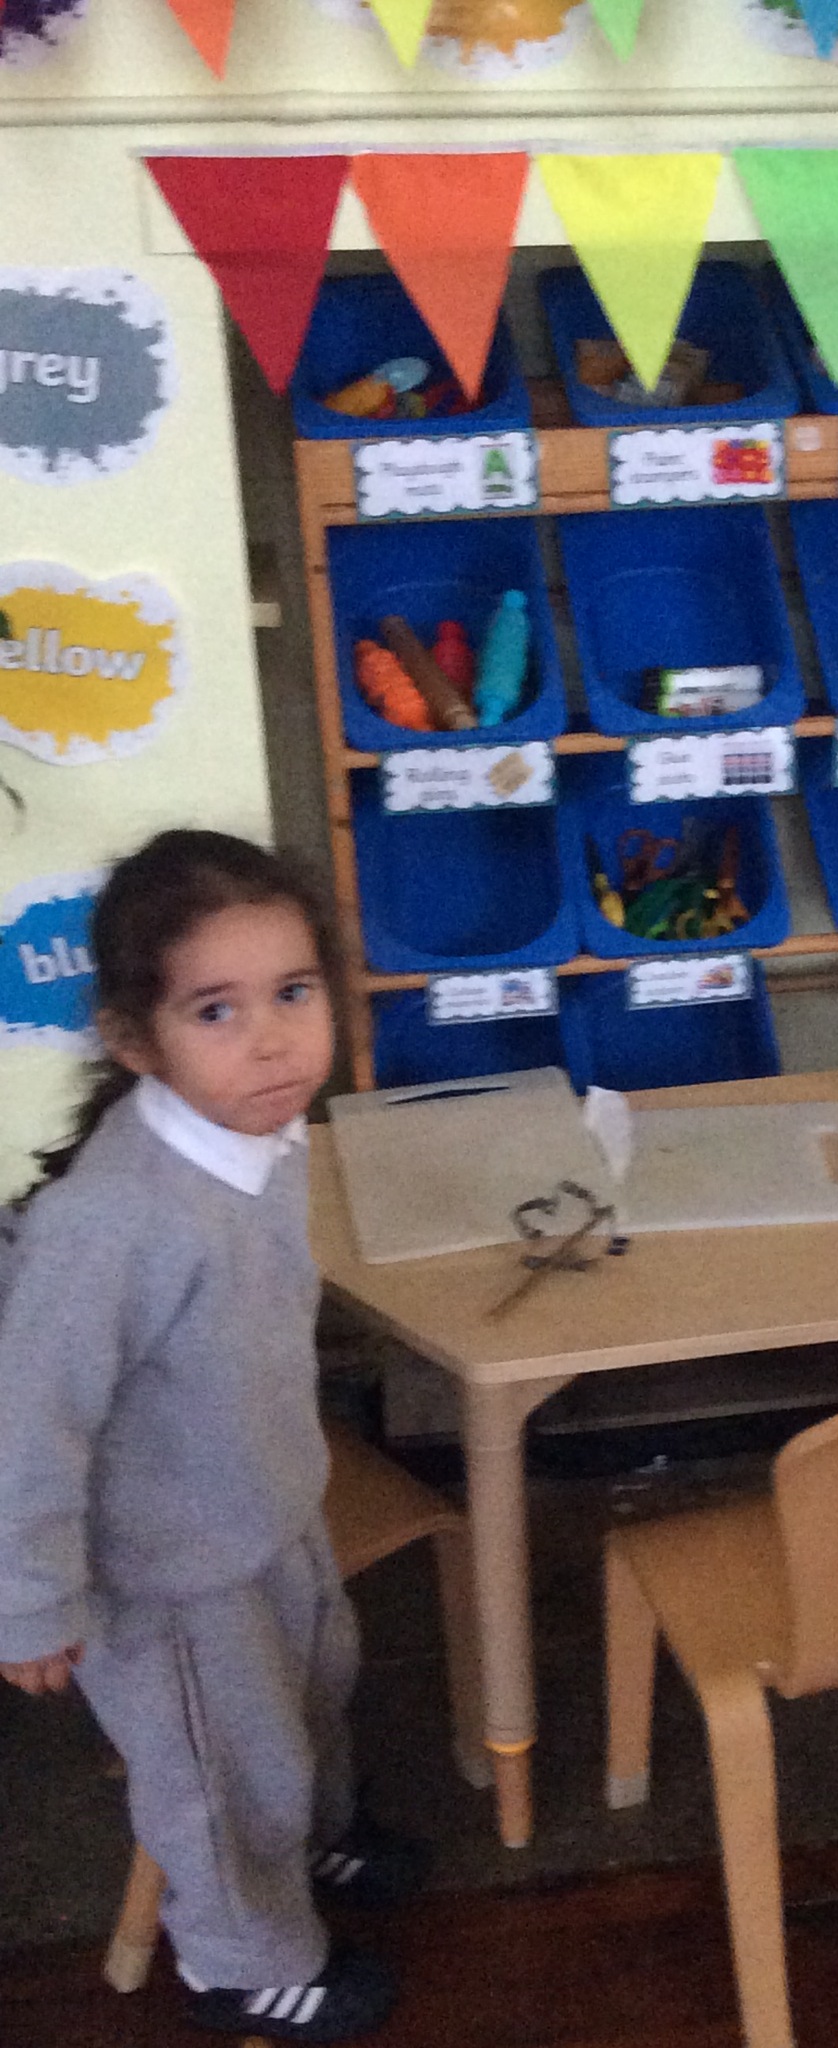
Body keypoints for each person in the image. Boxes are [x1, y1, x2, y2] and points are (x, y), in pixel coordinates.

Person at [0, 830, 419, 2042]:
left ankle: (320, 1839)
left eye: (294, 991)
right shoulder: (114, 1220)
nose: (273, 1039)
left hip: (263, 1498)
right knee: (222, 1769)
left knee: (317, 1689)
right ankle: (246, 1958)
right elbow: (29, 1417)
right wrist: (28, 1602)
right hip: (165, 1575)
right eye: (217, 1009)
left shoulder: (259, 1130)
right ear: (138, 1040)